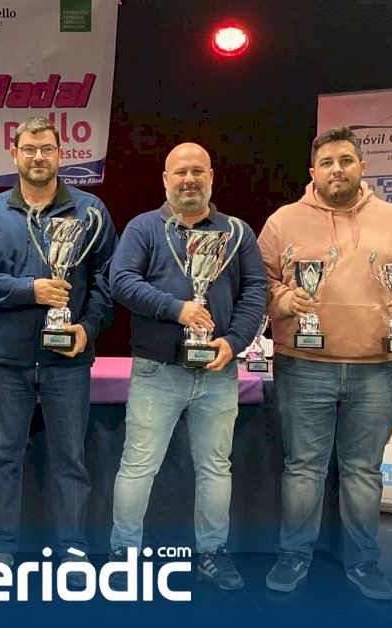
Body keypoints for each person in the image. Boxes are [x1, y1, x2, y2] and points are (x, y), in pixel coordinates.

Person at [257, 127, 392, 600]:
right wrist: (285, 299)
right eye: (328, 162)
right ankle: (294, 556)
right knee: (303, 469)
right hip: (303, 365)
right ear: (312, 171)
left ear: (362, 167)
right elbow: (259, 282)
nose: (337, 169)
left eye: (346, 160)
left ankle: (364, 562)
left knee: (363, 472)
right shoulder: (283, 221)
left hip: (378, 367)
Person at [0, 116, 117, 578]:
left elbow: (109, 279)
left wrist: (87, 328)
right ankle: (1, 550)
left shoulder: (90, 211)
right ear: (14, 154)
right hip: (7, 358)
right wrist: (31, 290)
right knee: (4, 458)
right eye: (29, 149)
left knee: (70, 459)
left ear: (60, 155)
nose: (38, 157)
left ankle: (72, 549)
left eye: (47, 149)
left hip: (69, 359)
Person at [107, 141, 267, 591]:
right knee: (138, 466)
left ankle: (212, 553)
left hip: (218, 371)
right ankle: (124, 553)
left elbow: (255, 290)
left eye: (198, 171)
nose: (189, 179)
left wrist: (234, 343)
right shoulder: (144, 227)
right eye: (180, 172)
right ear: (165, 179)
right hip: (157, 370)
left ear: (211, 177)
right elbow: (121, 281)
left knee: (216, 468)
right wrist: (177, 309)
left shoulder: (237, 232)